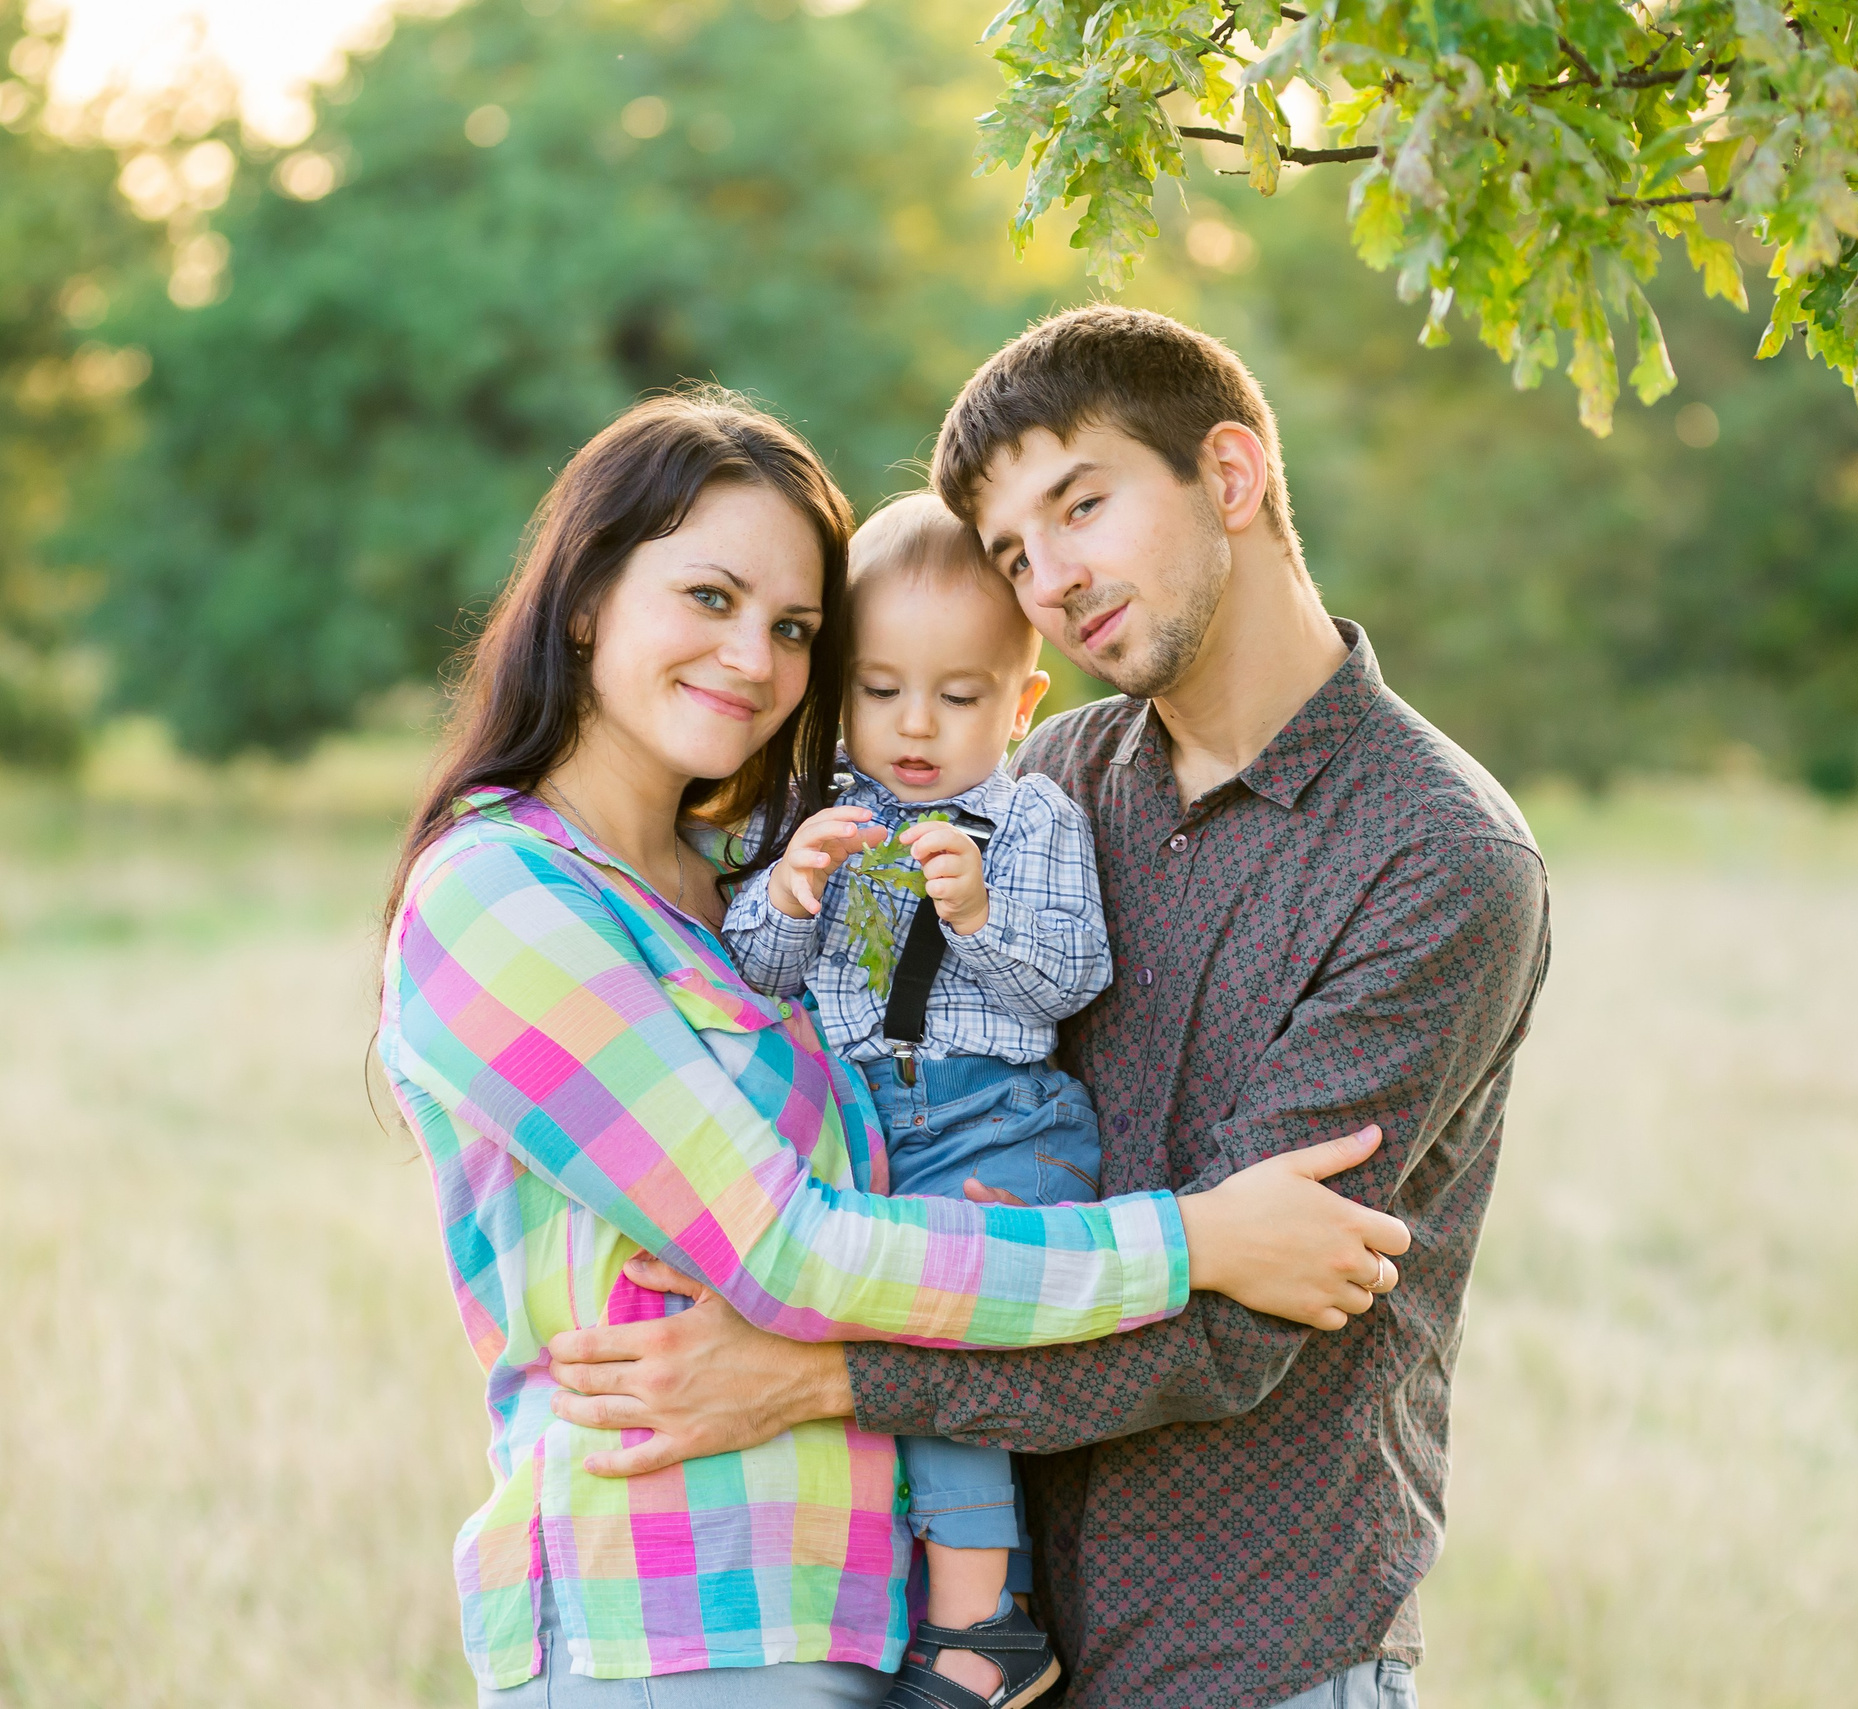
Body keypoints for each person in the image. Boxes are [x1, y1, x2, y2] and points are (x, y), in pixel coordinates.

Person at [544, 314, 1555, 1708]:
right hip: (991, 1645)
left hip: (1250, 1648)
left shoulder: (1436, 858)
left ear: (1233, 475)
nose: (1055, 575)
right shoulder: (1049, 780)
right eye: (1016, 549)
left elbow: (1237, 1322)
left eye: (1083, 504)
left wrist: (819, 1378)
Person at [725, 491, 1109, 1706]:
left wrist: (981, 916)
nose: (915, 726)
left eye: (957, 697)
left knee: (938, 1334)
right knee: (853, 1350)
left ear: (1022, 702)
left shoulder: (1034, 816)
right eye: (882, 689)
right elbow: (749, 980)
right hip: (857, 1124)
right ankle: (901, 1597)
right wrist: (786, 897)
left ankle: (982, 1621)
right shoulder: (816, 814)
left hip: (996, 1118)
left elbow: (1070, 977)